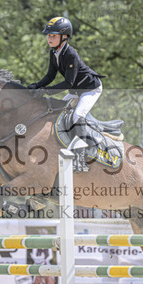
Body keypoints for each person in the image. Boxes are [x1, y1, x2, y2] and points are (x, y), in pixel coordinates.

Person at [26, 16, 105, 172]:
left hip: (90, 89)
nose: (49, 38)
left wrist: (45, 91)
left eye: (53, 36)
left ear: (64, 37)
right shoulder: (54, 52)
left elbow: (68, 82)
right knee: (57, 114)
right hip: (76, 91)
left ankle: (81, 159)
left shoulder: (70, 54)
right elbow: (50, 76)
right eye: (48, 35)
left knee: (77, 116)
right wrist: (36, 85)